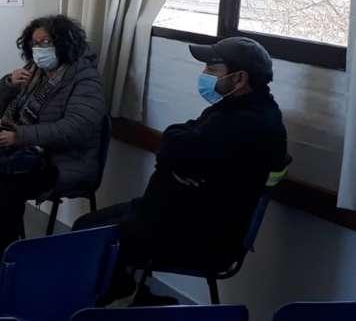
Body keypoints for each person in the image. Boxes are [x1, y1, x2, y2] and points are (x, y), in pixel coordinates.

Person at [74, 36, 288, 303]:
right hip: (171, 213)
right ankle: (134, 297)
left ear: (240, 78)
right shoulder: (234, 108)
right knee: (85, 226)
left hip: (199, 234)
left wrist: (177, 159)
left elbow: (176, 149)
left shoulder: (250, 123)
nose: (204, 74)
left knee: (89, 237)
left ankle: (111, 303)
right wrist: (177, 161)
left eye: (212, 69)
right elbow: (177, 143)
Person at [0, 14, 106, 276]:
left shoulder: (84, 79)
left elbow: (77, 128)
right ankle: (1, 253)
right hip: (23, 156)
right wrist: (8, 85)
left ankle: (8, 260)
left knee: (2, 188)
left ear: (64, 43)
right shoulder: (34, 73)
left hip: (63, 162)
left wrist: (21, 136)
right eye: (34, 44)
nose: (39, 49)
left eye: (46, 42)